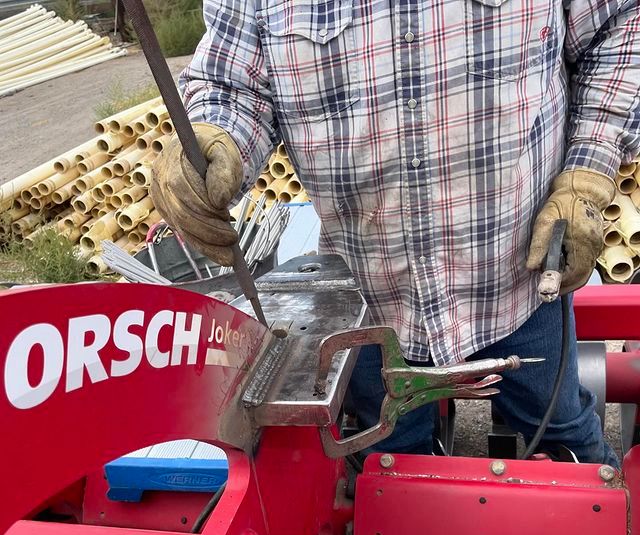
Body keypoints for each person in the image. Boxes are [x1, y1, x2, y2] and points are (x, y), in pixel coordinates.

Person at [151, 0, 640, 466]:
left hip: (521, 279)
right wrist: (215, 140)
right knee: (392, 473)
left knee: (565, 439)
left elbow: (617, 27)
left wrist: (586, 174)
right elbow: (235, 88)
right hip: (371, 300)